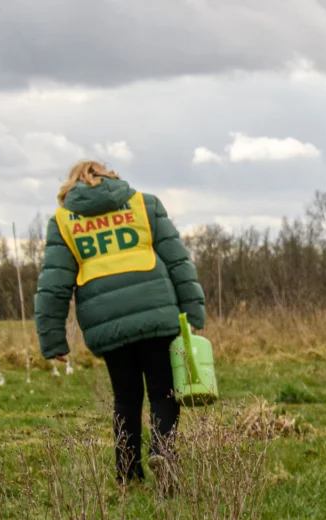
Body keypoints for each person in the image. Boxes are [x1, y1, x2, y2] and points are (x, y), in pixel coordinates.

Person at [34, 160, 205, 484]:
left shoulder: (64, 220)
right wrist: (193, 311)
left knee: (125, 397)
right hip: (157, 312)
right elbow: (178, 260)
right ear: (110, 176)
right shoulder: (144, 204)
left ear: (73, 185)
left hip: (106, 323)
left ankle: (128, 473)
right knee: (164, 391)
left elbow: (53, 284)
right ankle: (163, 453)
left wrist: (53, 339)